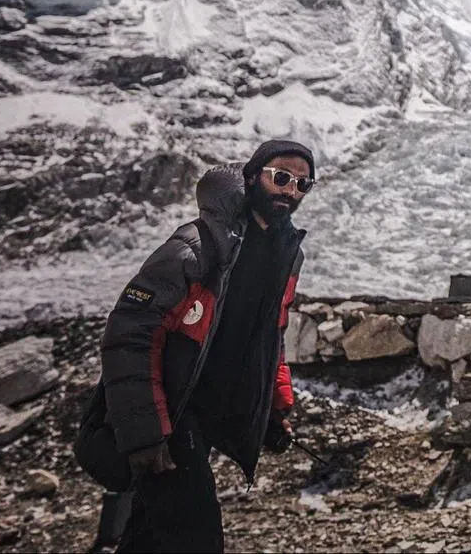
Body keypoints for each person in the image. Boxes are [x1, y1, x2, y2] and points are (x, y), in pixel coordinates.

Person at [86, 139, 315, 554]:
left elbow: (270, 336)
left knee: (149, 537)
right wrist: (145, 431)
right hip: (172, 412)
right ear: (251, 178)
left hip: (209, 412)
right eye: (281, 177)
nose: (290, 190)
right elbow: (131, 333)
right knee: (197, 538)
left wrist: (273, 406)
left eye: (302, 184)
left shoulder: (285, 256)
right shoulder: (195, 245)